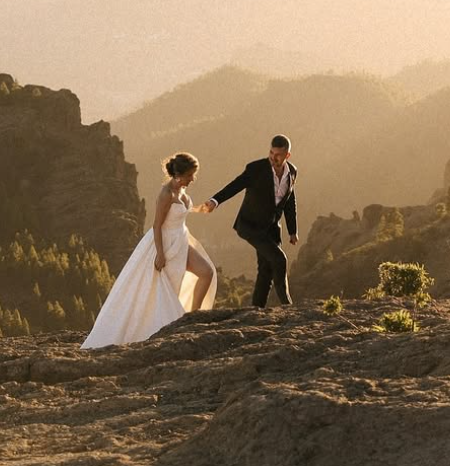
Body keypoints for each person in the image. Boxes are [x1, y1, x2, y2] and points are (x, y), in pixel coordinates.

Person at [81, 151, 216, 349]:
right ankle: (161, 326)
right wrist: (160, 254)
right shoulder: (166, 194)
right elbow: (157, 225)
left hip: (181, 240)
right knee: (164, 289)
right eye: (190, 175)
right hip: (166, 243)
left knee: (207, 272)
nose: (192, 179)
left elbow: (181, 211)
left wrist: (199, 208)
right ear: (180, 175)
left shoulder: (181, 191)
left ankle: (191, 317)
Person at [204, 135, 298, 307]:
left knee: (266, 270)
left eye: (278, 154)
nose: (273, 157)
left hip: (271, 228)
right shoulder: (256, 168)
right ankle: (287, 304)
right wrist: (215, 201)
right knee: (279, 259)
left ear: (287, 155)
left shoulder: (292, 172)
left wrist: (292, 230)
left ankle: (257, 309)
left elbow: (289, 201)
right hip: (250, 226)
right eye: (271, 152)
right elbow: (235, 185)